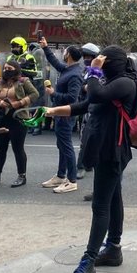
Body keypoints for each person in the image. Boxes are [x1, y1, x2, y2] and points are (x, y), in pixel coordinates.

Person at [44, 46, 137, 273]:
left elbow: (95, 94)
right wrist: (54, 111)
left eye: (101, 61)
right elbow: (84, 105)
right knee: (114, 196)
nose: (96, 64)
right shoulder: (108, 83)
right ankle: (114, 249)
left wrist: (94, 70)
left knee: (101, 206)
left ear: (113, 62)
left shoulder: (125, 83)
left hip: (112, 151)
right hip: (102, 148)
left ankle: (88, 262)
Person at [0, 61, 40, 188]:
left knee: (18, 149)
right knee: (0, 149)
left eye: (9, 68)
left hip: (18, 119)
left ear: (16, 69)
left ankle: (22, 176)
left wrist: (20, 103)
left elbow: (35, 94)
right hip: (1, 118)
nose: (6, 70)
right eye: (5, 68)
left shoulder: (23, 81)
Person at [39, 37, 84, 193]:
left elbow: (72, 98)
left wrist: (53, 93)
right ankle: (60, 175)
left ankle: (71, 180)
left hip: (66, 114)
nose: (63, 53)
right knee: (62, 145)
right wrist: (45, 47)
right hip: (60, 113)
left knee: (66, 146)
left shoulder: (75, 74)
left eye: (65, 51)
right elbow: (55, 62)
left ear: (69, 55)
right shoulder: (68, 69)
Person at [76, 42, 101, 180]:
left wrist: (87, 87)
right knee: (83, 136)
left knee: (87, 138)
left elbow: (94, 89)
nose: (86, 58)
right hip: (84, 106)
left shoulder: (99, 71)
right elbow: (83, 87)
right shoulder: (85, 70)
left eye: (88, 56)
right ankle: (86, 164)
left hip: (93, 108)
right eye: (84, 56)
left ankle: (81, 166)